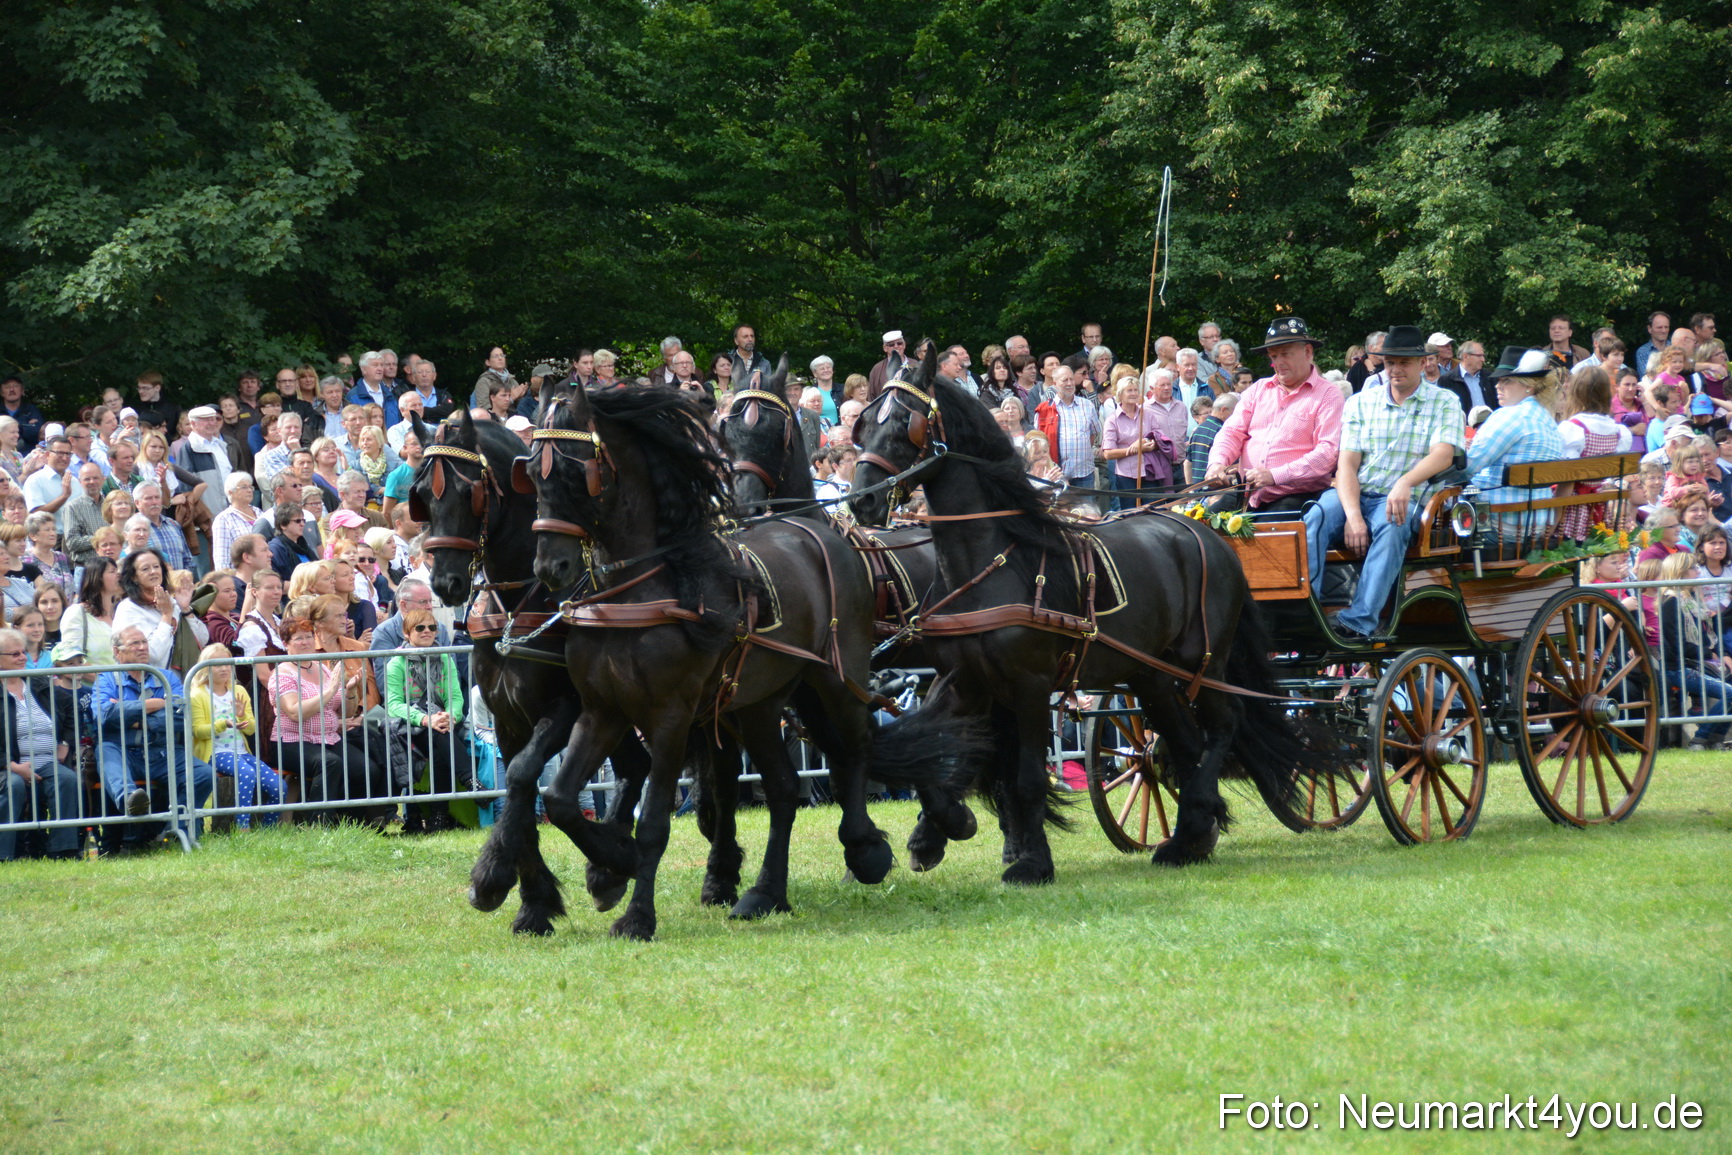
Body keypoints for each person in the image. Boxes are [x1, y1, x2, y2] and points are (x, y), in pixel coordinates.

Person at [1305, 323, 1465, 640]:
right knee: (1315, 516)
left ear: (1423, 363)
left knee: (1393, 524)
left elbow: (1444, 455)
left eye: (1404, 362)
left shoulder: (1445, 401)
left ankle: (1359, 620)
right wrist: (1352, 517)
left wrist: (1405, 482)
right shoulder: (1361, 402)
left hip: (1399, 500)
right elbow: (1347, 465)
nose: (1395, 369)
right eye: (1390, 361)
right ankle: (1305, 607)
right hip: (1356, 493)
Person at [1205, 317, 1345, 514]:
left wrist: (1275, 475)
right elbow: (1231, 432)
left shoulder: (1329, 394)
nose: (1278, 362)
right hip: (1246, 492)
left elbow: (1327, 453)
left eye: (1285, 354)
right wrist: (1217, 464)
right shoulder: (1257, 389)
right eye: (1273, 356)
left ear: (1307, 352)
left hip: (1296, 495)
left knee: (1266, 541)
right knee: (1198, 533)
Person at [94, 625, 214, 841]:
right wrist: (154, 704)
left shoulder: (167, 677)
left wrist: (134, 718)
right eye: (135, 643)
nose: (142, 647)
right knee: (105, 750)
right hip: (123, 750)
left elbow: (180, 716)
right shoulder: (107, 679)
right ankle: (131, 801)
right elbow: (105, 715)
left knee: (203, 774)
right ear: (117, 651)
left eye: (144, 642)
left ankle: (177, 830)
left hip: (161, 751)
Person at [266, 617, 388, 821]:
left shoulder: (322, 668)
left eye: (308, 636)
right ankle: (320, 823)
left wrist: (349, 692)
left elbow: (346, 712)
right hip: (291, 741)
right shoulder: (282, 673)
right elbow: (295, 712)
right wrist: (331, 690)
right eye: (298, 638)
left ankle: (353, 823)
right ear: (286, 644)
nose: (305, 642)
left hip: (328, 737)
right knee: (329, 763)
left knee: (366, 769)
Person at [385, 608, 474, 834]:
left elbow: (455, 696)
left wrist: (450, 716)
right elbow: (394, 704)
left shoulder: (444, 658)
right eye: (420, 628)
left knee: (440, 739)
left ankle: (435, 817)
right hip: (408, 724)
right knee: (439, 736)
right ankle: (464, 785)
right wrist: (425, 719)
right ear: (407, 633)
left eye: (432, 627)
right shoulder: (396, 663)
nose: (427, 631)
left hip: (440, 721)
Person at [0, 627, 83, 859]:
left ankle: (63, 850)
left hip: (47, 762)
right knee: (13, 785)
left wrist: (65, 742)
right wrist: (11, 766)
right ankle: (5, 854)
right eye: (14, 654)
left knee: (66, 779)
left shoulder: (38, 684)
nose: (22, 658)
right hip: (8, 766)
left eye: (23, 652)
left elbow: (71, 706)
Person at [187, 642, 282, 828]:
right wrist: (224, 724)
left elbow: (251, 729)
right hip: (215, 752)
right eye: (217, 664)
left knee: (278, 786)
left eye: (227, 663)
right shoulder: (197, 694)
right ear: (205, 667)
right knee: (246, 774)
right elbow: (198, 731)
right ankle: (242, 828)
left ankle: (268, 830)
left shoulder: (238, 690)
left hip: (241, 752)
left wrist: (241, 716)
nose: (224, 668)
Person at [1653, 552, 1732, 750]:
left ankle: (1715, 739)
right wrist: (1709, 654)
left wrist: (1719, 654)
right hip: (1677, 667)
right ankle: (1701, 738)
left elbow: (1707, 637)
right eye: (1694, 568)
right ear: (1681, 572)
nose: (1698, 572)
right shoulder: (1671, 601)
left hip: (1693, 662)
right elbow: (1677, 642)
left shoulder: (1690, 600)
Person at [112, 548, 203, 669]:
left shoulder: (170, 602)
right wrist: (166, 616)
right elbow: (151, 653)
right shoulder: (128, 608)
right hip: (146, 683)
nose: (153, 572)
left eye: (156, 566)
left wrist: (185, 609)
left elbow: (202, 639)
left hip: (178, 682)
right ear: (134, 577)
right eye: (145, 569)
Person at [1100, 375, 1172, 508]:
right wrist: (1133, 450)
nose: (1134, 393)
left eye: (1135, 390)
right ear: (1120, 394)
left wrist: (1148, 444)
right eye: (1129, 390)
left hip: (1150, 471)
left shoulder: (1148, 415)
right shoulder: (1112, 420)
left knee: (1154, 512)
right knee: (1131, 514)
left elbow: (1159, 439)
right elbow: (1108, 454)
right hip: (1126, 475)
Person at [1032, 365, 1101, 490]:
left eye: (1071, 379)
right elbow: (1038, 442)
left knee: (1087, 509)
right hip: (1055, 474)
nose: (1069, 383)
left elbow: (1093, 434)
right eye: (1064, 380)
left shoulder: (1087, 405)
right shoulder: (1044, 409)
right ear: (1055, 383)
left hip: (1084, 473)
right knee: (1059, 509)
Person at [131, 482, 194, 573]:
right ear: (137, 503)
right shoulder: (133, 527)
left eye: (157, 497)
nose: (154, 502)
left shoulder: (173, 525)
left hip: (180, 584)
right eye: (148, 498)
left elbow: (187, 559)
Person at [21, 434, 76, 532]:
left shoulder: (74, 481)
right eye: (60, 453)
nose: (64, 458)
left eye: (68, 454)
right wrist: (64, 496)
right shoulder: (35, 480)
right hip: (51, 538)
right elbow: (36, 516)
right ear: (47, 454)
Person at [62, 462, 108, 567]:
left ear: (103, 479)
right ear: (80, 481)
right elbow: (72, 542)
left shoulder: (110, 504)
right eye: (87, 479)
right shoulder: (72, 507)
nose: (92, 482)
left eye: (96, 478)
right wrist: (102, 538)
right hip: (86, 568)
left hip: (111, 565)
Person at [268, 502, 317, 582]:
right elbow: (276, 582)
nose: (302, 524)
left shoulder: (303, 545)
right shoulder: (275, 548)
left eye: (303, 520)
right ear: (283, 525)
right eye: (297, 521)